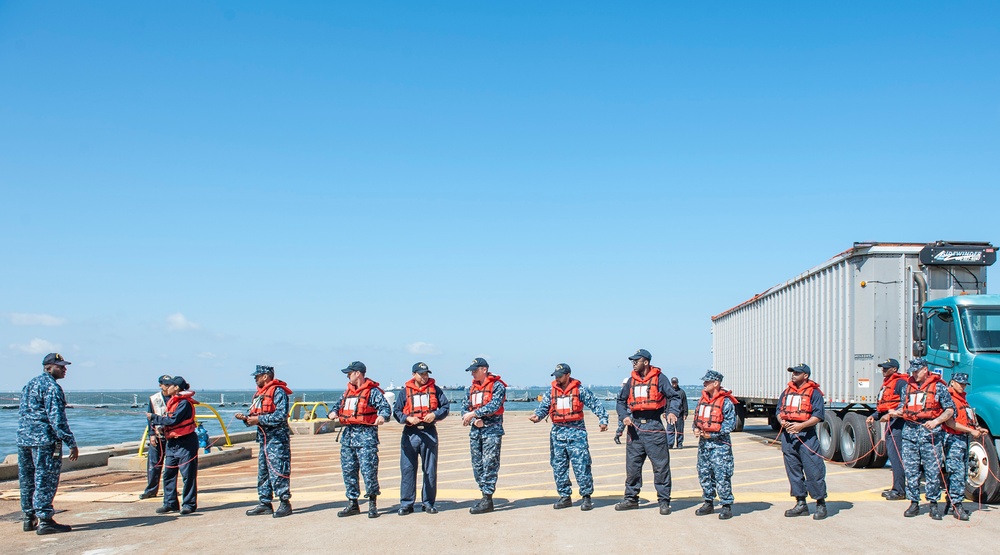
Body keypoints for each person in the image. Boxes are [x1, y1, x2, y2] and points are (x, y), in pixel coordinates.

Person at [529, 363, 609, 511]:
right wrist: (537, 416)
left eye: (560, 375)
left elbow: (596, 404)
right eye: (556, 376)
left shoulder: (579, 390)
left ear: (567, 375)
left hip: (577, 433)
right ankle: (565, 496)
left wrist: (603, 420)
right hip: (558, 434)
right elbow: (543, 408)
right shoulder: (551, 392)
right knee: (559, 467)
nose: (557, 378)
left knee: (582, 466)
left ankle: (586, 497)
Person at [17, 352, 79, 535]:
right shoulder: (52, 387)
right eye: (61, 366)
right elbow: (57, 419)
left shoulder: (30, 384)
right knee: (45, 479)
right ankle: (45, 519)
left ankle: (29, 517)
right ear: (48, 367)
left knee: (27, 479)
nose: (65, 369)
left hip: (24, 439)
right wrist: (71, 442)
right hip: (44, 440)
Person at [614, 348, 681, 515]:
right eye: (632, 361)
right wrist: (624, 416)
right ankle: (631, 499)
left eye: (637, 360)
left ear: (646, 362)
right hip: (635, 428)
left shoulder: (660, 378)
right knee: (633, 466)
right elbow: (621, 401)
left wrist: (673, 412)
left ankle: (664, 501)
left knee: (660, 467)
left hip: (654, 426)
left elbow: (674, 397)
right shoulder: (631, 381)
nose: (634, 363)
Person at [888, 358, 955, 520]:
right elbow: (903, 407)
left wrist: (936, 421)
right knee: (911, 470)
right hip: (910, 433)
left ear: (925, 370)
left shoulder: (939, 387)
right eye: (912, 371)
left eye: (917, 371)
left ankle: (933, 504)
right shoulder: (907, 387)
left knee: (932, 470)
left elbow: (949, 410)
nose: (914, 374)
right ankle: (914, 502)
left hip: (930, 434)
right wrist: (895, 412)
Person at [333, 361, 391, 518]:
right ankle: (352, 503)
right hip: (348, 438)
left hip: (366, 437)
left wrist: (381, 416)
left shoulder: (372, 392)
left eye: (349, 373)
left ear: (357, 373)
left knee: (369, 470)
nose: (347, 376)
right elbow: (336, 407)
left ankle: (372, 503)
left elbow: (385, 408)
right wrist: (333, 413)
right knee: (349, 471)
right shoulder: (347, 392)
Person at [392, 362, 450, 515]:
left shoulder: (435, 390)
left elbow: (445, 407)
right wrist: (407, 418)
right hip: (410, 433)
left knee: (430, 470)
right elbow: (396, 411)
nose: (425, 377)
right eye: (421, 374)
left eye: (426, 374)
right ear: (413, 375)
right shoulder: (405, 392)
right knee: (407, 469)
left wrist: (435, 415)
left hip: (429, 432)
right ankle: (406, 503)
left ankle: (428, 503)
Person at [236, 365, 294, 518]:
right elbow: (254, 415)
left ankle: (284, 503)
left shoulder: (278, 392)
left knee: (278, 471)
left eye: (258, 376)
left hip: (277, 440)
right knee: (263, 473)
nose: (255, 379)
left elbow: (280, 415)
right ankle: (265, 503)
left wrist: (259, 419)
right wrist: (246, 419)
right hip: (263, 439)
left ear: (266, 376)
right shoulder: (258, 395)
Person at [775, 363, 828, 520]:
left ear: (805, 375)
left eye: (797, 372)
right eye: (792, 372)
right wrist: (782, 422)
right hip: (788, 436)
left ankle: (820, 504)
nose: (793, 375)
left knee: (814, 470)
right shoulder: (786, 392)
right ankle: (800, 504)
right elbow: (779, 411)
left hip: (806, 435)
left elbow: (818, 415)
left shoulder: (814, 393)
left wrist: (801, 426)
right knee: (793, 471)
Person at [146, 376, 199, 515]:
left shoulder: (184, 403)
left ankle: (189, 504)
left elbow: (173, 420)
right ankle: (170, 503)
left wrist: (154, 418)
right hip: (172, 443)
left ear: (176, 388)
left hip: (186, 443)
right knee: (168, 473)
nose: (167, 387)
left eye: (170, 385)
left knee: (188, 475)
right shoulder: (172, 402)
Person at [461, 357, 507, 514]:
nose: (472, 374)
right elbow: (464, 409)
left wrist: (475, 413)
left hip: (491, 431)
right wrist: (474, 419)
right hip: (476, 432)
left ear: (484, 369)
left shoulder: (497, 386)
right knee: (477, 466)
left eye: (475, 370)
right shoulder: (470, 389)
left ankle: (487, 498)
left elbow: (494, 405)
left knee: (490, 465)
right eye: (471, 371)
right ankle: (484, 495)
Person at [692, 370, 737, 520]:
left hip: (720, 446)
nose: (704, 384)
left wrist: (713, 434)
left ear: (716, 383)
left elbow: (730, 425)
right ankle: (708, 502)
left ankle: (726, 505)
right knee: (704, 473)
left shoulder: (726, 402)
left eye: (707, 382)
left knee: (722, 474)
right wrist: (696, 429)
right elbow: (696, 419)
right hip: (704, 445)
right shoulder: (702, 400)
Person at [941, 372, 984, 521]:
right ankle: (956, 505)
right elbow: (950, 422)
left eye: (965, 384)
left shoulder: (963, 400)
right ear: (952, 382)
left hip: (962, 439)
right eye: (960, 383)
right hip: (953, 439)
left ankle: (950, 502)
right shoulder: (949, 399)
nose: (963, 386)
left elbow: (966, 419)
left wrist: (977, 429)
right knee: (957, 473)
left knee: (961, 472)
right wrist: (971, 431)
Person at [866, 358, 907, 501]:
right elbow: (884, 405)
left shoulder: (901, 383)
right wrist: (874, 416)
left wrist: (891, 415)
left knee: (897, 458)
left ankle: (899, 490)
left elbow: (904, 405)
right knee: (893, 456)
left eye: (886, 368)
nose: (883, 370)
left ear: (894, 369)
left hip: (899, 424)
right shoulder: (887, 384)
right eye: (882, 368)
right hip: (891, 423)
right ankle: (896, 487)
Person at [139, 374, 172, 500]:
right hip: (158, 434)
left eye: (170, 384)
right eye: (166, 384)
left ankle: (170, 490)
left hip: (172, 435)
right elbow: (150, 417)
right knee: (154, 464)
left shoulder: (176, 398)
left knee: (171, 465)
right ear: (160, 385)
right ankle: (151, 490)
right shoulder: (154, 399)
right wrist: (151, 435)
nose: (168, 386)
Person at [667, 377, 688, 449]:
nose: (674, 384)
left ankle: (679, 443)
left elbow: (685, 403)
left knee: (679, 430)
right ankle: (670, 444)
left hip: (679, 414)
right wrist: (664, 412)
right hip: (669, 414)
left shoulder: (681, 392)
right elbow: (666, 402)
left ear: (677, 383)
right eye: (673, 383)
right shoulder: (668, 392)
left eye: (675, 383)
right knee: (670, 430)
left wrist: (685, 413)